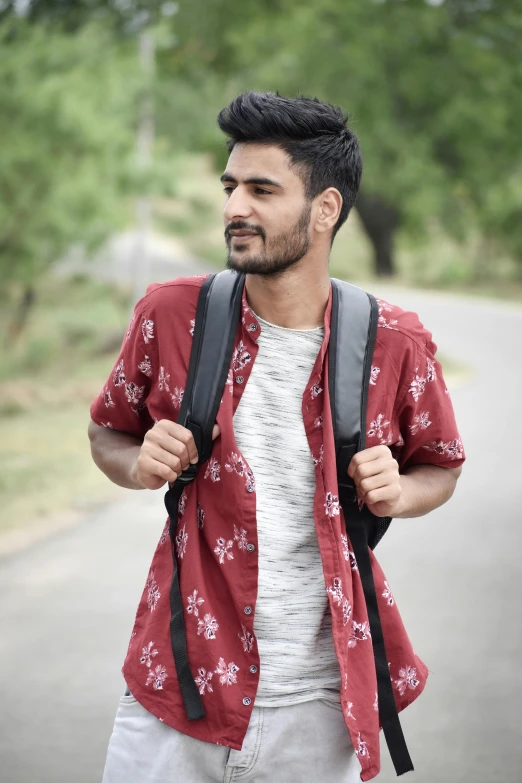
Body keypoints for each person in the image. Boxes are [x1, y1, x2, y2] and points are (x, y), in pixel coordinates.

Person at [88, 91, 465, 783]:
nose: (235, 207)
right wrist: (135, 460)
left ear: (326, 209)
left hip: (321, 711)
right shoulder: (170, 315)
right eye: (231, 186)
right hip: (177, 690)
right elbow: (107, 427)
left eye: (262, 189)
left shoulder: (396, 343)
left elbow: (439, 464)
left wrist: (401, 491)